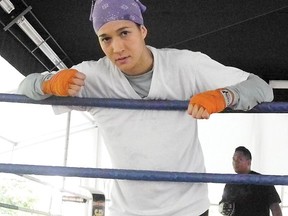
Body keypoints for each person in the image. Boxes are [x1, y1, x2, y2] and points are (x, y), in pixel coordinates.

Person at [17, 0, 274, 215]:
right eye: (105, 39)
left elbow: (261, 88)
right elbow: (23, 88)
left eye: (124, 32)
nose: (116, 48)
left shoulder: (185, 65)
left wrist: (224, 96)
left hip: (189, 209)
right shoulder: (92, 76)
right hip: (128, 211)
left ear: (143, 31)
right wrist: (48, 83)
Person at [219, 146, 282, 216]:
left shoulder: (263, 181)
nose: (235, 162)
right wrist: (223, 207)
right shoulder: (230, 183)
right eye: (234, 159)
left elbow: (275, 208)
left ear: (249, 162)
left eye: (239, 159)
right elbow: (223, 206)